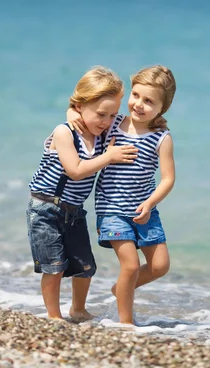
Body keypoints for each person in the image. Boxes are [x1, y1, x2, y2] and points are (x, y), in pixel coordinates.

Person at [27, 66, 138, 321]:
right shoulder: (64, 132)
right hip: (46, 208)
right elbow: (75, 171)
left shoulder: (101, 133)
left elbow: (134, 122)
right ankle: (53, 316)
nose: (107, 121)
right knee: (53, 267)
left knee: (85, 266)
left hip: (74, 211)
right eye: (101, 114)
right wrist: (108, 157)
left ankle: (77, 309)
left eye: (112, 115)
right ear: (80, 105)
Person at [67, 65, 176, 324]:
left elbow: (168, 179)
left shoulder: (162, 137)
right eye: (136, 95)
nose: (138, 104)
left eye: (149, 101)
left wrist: (150, 203)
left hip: (144, 210)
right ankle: (126, 323)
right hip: (112, 210)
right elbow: (85, 111)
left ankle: (121, 289)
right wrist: (71, 112)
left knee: (160, 266)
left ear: (163, 107)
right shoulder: (113, 123)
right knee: (129, 265)